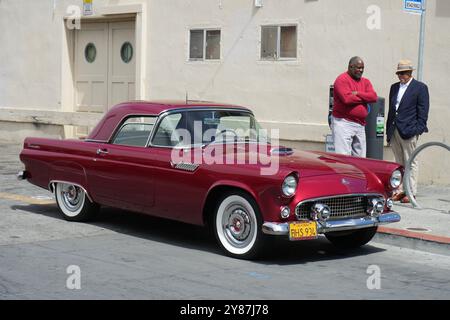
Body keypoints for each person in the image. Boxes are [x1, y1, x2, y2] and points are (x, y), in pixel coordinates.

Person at [386, 59, 429, 203]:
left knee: (411, 161)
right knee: (399, 163)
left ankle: (411, 192)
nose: (400, 76)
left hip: (409, 130)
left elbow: (423, 111)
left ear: (410, 73)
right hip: (395, 129)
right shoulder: (394, 87)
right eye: (399, 73)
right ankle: (400, 190)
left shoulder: (420, 88)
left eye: (403, 73)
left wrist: (418, 129)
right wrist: (388, 130)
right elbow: (392, 110)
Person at [332, 56, 378, 157]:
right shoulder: (342, 79)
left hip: (360, 124)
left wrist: (357, 93)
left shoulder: (365, 81)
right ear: (350, 67)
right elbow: (347, 99)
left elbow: (374, 97)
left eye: (362, 68)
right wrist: (365, 98)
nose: (361, 70)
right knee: (344, 157)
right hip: (344, 122)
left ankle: (357, 174)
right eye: (358, 67)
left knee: (361, 158)